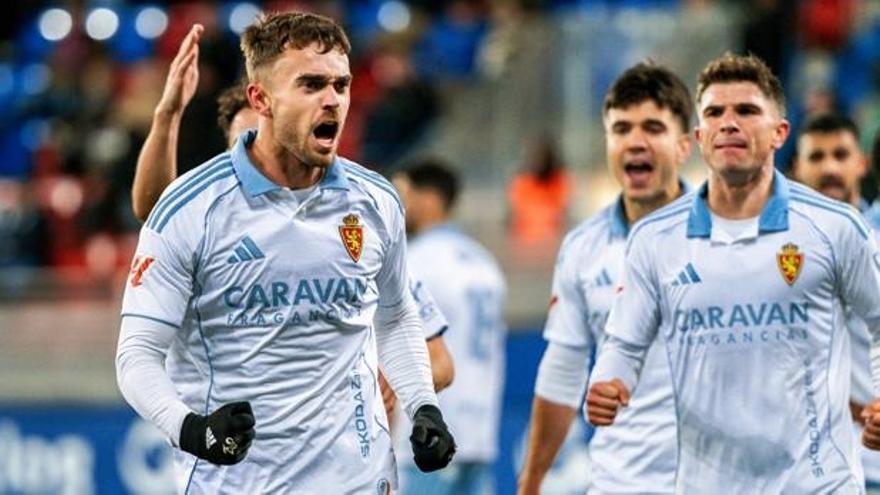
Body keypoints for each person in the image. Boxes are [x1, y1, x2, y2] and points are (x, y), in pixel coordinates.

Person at [115, 12, 455, 493]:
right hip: (237, 483)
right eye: (311, 85)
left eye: (341, 85)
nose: (332, 100)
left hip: (359, 479)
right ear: (261, 99)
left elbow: (397, 318)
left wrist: (423, 405)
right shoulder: (192, 209)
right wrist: (192, 430)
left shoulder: (375, 201)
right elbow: (136, 356)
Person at [586, 53, 880, 493]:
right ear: (699, 136)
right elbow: (624, 344)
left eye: (745, 110)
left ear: (780, 132)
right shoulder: (654, 240)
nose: (728, 123)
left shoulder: (835, 227)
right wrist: (608, 382)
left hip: (818, 485)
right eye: (714, 113)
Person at [518, 62, 693, 494]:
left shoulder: (728, 237)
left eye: (653, 128)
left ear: (684, 146)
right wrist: (532, 482)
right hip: (619, 483)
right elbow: (562, 373)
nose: (635, 141)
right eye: (621, 129)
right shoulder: (583, 248)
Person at [392, 160, 507, 494]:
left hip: (427, 434)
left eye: (405, 194)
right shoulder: (485, 262)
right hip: (479, 430)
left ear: (429, 198)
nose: (399, 206)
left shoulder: (416, 260)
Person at [790, 112, 880, 494]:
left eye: (840, 154)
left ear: (862, 163)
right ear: (796, 169)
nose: (829, 167)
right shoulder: (775, 254)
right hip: (811, 470)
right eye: (816, 156)